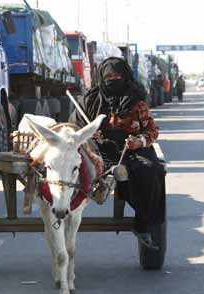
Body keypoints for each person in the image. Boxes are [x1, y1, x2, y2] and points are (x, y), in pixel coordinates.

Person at [69, 57, 166, 246]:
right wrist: (88, 134)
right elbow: (73, 128)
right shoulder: (89, 100)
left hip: (131, 150)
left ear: (126, 77)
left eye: (118, 76)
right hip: (98, 150)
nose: (113, 79)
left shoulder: (138, 102)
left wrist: (139, 141)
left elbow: (152, 131)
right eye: (109, 76)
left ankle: (143, 223)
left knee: (151, 170)